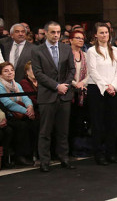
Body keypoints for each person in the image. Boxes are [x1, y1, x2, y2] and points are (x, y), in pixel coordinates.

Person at [32, 21, 76, 172]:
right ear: (46, 33)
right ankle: (45, 161)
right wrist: (56, 86)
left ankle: (64, 158)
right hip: (47, 95)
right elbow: (38, 74)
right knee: (45, 131)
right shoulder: (37, 51)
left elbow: (71, 69)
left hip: (64, 95)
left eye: (58, 32)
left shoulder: (66, 48)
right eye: (53, 32)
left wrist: (65, 85)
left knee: (63, 130)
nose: (56, 35)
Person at [85, 23, 117, 165]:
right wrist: (105, 86)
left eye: (106, 32)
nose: (104, 35)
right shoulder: (91, 51)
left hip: (113, 90)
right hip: (97, 90)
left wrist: (113, 85)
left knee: (112, 123)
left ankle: (110, 153)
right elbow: (93, 71)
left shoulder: (114, 50)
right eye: (101, 33)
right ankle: (99, 154)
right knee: (98, 123)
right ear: (96, 35)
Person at [0, 61, 36, 166]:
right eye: (6, 71)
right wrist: (27, 112)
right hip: (7, 115)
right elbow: (8, 104)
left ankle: (29, 155)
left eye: (11, 70)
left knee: (34, 123)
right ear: (1, 74)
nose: (10, 73)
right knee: (22, 126)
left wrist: (30, 107)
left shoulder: (16, 84)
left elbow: (25, 97)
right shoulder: (0, 85)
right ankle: (19, 157)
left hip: (19, 114)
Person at [68, 30, 90, 157]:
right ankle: (70, 149)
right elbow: (64, 73)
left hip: (83, 92)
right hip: (70, 91)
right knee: (70, 121)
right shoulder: (66, 55)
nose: (81, 40)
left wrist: (82, 83)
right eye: (77, 38)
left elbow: (90, 73)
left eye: (82, 38)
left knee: (81, 121)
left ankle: (80, 148)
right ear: (71, 40)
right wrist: (75, 83)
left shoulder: (86, 56)